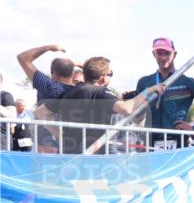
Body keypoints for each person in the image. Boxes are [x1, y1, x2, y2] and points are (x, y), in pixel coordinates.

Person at [36, 57, 165, 153]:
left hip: (69, 155)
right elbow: (127, 108)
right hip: (94, 158)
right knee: (95, 188)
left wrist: (59, 133)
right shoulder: (99, 92)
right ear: (103, 78)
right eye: (110, 74)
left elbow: (40, 112)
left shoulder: (69, 92)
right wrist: (148, 90)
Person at [135, 37, 194, 150]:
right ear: (154, 54)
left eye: (167, 53)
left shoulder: (187, 83)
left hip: (179, 146)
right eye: (159, 53)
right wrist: (133, 101)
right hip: (150, 145)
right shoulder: (144, 82)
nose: (163, 57)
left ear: (174, 54)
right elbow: (137, 118)